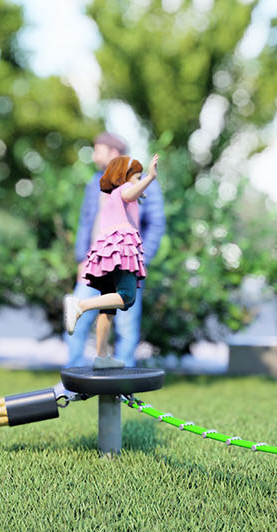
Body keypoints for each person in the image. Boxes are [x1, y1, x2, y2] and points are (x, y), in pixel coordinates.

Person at [63, 132, 165, 368]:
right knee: (111, 307)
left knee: (119, 319)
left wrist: (142, 257)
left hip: (126, 259)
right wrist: (82, 257)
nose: (94, 154)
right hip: (99, 260)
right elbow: (87, 221)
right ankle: (74, 377)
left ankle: (116, 375)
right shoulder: (99, 183)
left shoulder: (129, 182)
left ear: (113, 153)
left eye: (98, 149)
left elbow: (156, 223)